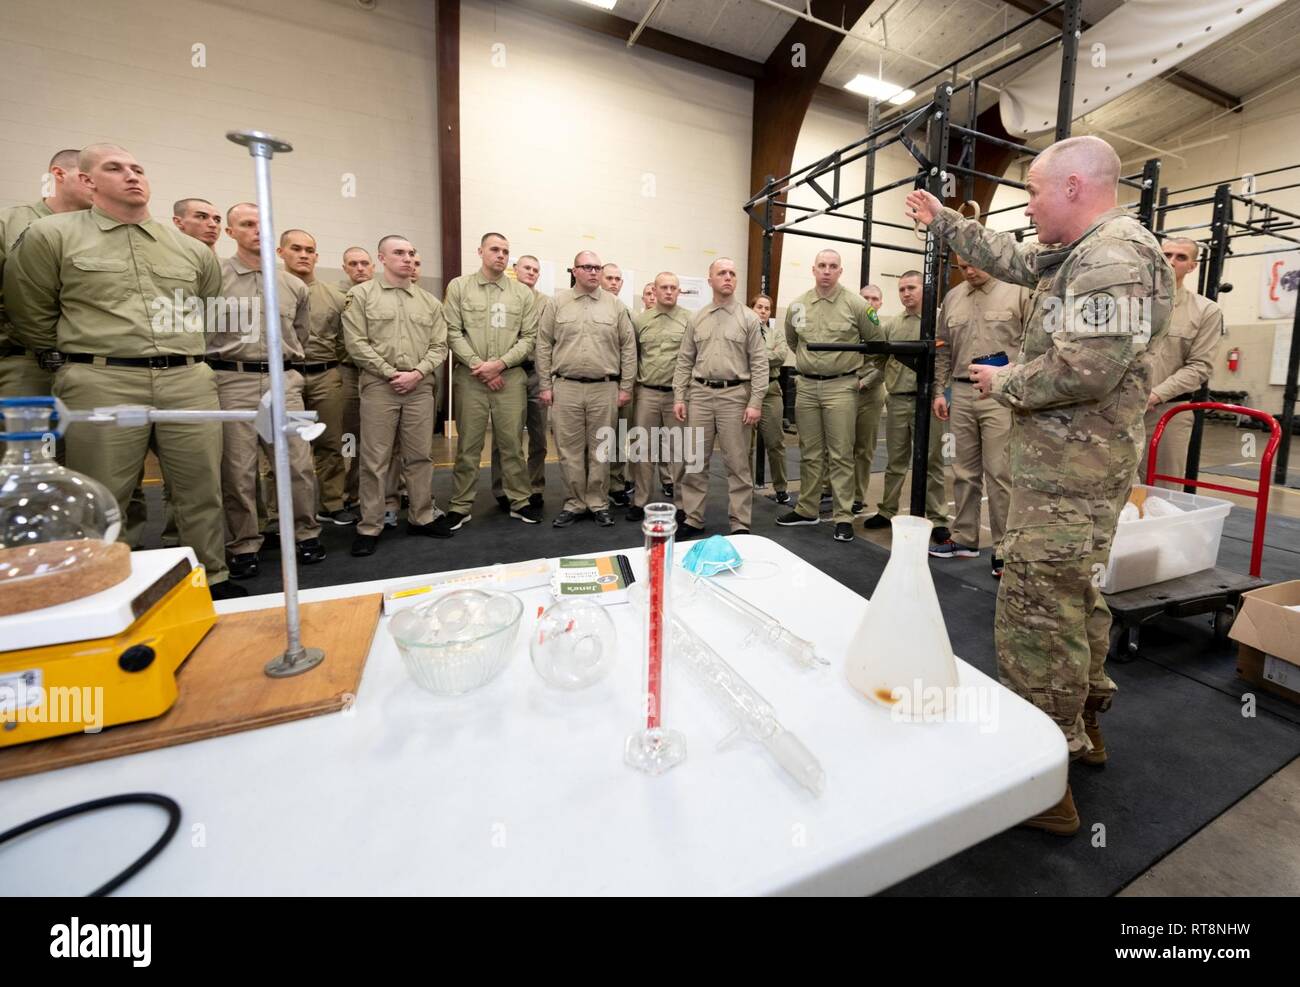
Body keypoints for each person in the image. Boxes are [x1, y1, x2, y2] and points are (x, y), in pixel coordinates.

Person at [906, 134, 1173, 834]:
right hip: (1075, 468)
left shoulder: (1111, 258)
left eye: (1033, 192)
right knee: (1074, 596)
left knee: (1035, 611)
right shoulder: (1087, 251)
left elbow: (1088, 369)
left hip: (1067, 475)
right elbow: (1019, 260)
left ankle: (1041, 778)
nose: (1028, 205)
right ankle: (1084, 729)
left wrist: (1005, 382)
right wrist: (945, 220)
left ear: (1076, 188)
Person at [3, 143, 243, 598]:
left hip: (186, 379)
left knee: (201, 490)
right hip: (101, 378)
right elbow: (28, 309)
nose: (132, 176)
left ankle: (209, 578)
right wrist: (76, 353)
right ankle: (108, 586)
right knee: (104, 493)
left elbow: (208, 312)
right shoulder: (51, 235)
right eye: (115, 168)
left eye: (138, 168)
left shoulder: (191, 249)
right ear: (88, 181)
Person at [214, 204, 324, 576]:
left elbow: (300, 334)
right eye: (247, 224)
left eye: (264, 225)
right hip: (232, 379)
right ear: (231, 231)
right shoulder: (214, 277)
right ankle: (245, 542)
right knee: (238, 468)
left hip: (284, 381)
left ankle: (304, 534)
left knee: (297, 463)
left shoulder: (292, 285)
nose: (257, 231)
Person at [343, 235, 453, 555]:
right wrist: (391, 373)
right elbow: (356, 343)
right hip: (380, 385)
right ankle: (370, 524)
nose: (407, 258)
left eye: (411, 253)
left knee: (419, 456)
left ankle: (421, 515)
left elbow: (439, 346)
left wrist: (417, 373)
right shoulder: (361, 296)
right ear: (382, 258)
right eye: (399, 253)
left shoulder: (430, 302)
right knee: (375, 458)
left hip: (419, 387)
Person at [776, 250, 886, 543]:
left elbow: (876, 344)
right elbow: (792, 340)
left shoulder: (858, 305)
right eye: (822, 266)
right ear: (813, 270)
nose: (826, 271)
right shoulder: (797, 305)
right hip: (807, 387)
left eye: (832, 266)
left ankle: (843, 516)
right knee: (809, 452)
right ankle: (807, 508)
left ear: (840, 271)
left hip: (841, 387)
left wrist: (858, 376)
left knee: (840, 454)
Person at [930, 256, 1031, 575]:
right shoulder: (953, 297)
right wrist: (939, 390)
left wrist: (1019, 383)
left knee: (1000, 472)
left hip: (1000, 392)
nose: (969, 271)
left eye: (975, 264)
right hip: (960, 391)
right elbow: (943, 347)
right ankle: (964, 537)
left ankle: (1004, 547)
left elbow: (1033, 345)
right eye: (963, 267)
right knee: (962, 471)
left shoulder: (1017, 291)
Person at [443, 232, 540, 528]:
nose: (501, 255)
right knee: (468, 446)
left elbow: (529, 337)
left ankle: (519, 500)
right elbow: (451, 331)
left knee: (512, 444)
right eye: (494, 249)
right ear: (480, 251)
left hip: (510, 379)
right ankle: (460, 505)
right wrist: (479, 366)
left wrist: (499, 365)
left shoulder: (522, 294)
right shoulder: (459, 287)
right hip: (471, 379)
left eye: (505, 251)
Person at [537, 251, 635, 527]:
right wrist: (546, 385)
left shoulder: (615, 306)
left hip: (604, 388)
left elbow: (628, 348)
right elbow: (543, 345)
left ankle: (597, 502)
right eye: (587, 267)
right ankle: (575, 502)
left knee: (601, 449)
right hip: (565, 387)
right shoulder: (557, 304)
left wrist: (625, 386)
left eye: (597, 268)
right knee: (569, 449)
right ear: (574, 271)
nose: (593, 272)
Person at [673, 258, 766, 536]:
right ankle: (692, 518)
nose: (728, 277)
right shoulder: (697, 318)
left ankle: (739, 523)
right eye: (721, 273)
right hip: (700, 395)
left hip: (735, 396)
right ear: (710, 279)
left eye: (732, 273)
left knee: (737, 463)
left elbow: (760, 363)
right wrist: (680, 395)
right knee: (695, 461)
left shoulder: (749, 318)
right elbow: (684, 360)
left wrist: (755, 402)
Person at [861, 271, 950, 539]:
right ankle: (887, 510)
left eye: (911, 288)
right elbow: (879, 357)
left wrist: (941, 393)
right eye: (901, 289)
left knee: (933, 461)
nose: (906, 293)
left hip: (930, 402)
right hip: (898, 400)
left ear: (924, 290)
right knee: (895, 462)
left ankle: (938, 517)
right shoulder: (892, 324)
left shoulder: (939, 322)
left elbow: (947, 359)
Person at [0, 149, 93, 399]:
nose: (96, 185)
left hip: (95, 369)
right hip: (27, 364)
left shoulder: (102, 232)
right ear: (59, 174)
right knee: (38, 438)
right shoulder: (9, 223)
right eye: (87, 176)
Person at [278, 228, 354, 526]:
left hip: (324, 376)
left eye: (309, 250)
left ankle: (332, 503)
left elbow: (343, 340)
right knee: (287, 448)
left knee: (330, 444)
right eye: (296, 249)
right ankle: (279, 512)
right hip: (287, 378)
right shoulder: (270, 291)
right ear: (281, 252)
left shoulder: (334, 297)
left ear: (317, 256)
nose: (303, 255)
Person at [1142, 237, 1224, 488]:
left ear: (1192, 266)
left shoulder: (1205, 311)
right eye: (1166, 255)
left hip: (1168, 413)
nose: (1171, 262)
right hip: (1120, 410)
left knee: (1163, 489)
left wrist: (1155, 395)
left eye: (1181, 257)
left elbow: (1200, 366)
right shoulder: (1132, 305)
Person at [627, 272, 690, 522]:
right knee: (643, 449)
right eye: (663, 287)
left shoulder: (689, 320)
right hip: (647, 392)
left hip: (677, 395)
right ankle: (640, 500)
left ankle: (683, 503)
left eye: (673, 287)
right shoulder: (641, 321)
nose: (668, 291)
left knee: (679, 451)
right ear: (654, 289)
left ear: (678, 291)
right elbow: (635, 355)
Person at [490, 254, 550, 510]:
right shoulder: (503, 297)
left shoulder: (547, 303)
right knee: (506, 435)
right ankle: (502, 487)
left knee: (538, 436)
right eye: (527, 267)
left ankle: (535, 486)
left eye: (536, 269)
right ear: (515, 269)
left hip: (536, 372)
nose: (532, 272)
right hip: (508, 371)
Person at [338, 246, 372, 511]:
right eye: (353, 264)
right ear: (345, 268)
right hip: (349, 372)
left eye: (364, 263)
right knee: (350, 437)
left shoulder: (379, 296)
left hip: (378, 375)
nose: (359, 268)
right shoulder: (338, 298)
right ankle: (349, 491)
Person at [749, 293, 790, 505]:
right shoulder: (743, 332)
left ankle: (781, 488)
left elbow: (781, 356)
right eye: (759, 307)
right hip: (746, 391)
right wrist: (767, 353)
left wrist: (756, 355)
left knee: (776, 442)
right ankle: (745, 488)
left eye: (767, 308)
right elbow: (741, 355)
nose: (763, 311)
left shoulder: (776, 335)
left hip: (771, 390)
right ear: (751, 308)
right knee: (745, 444)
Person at [600, 262, 634, 506]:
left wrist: (628, 385)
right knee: (599, 439)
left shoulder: (626, 310)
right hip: (600, 383)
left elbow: (633, 351)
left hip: (624, 383)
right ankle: (595, 486)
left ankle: (616, 483)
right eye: (609, 278)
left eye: (617, 279)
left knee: (621, 435)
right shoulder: (594, 308)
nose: (613, 282)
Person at [853, 283, 888, 513]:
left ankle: (857, 495)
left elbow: (886, 365)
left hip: (871, 392)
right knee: (837, 445)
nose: (870, 302)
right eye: (865, 298)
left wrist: (864, 383)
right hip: (845, 389)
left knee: (864, 448)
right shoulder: (849, 328)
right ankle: (829, 489)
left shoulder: (885, 330)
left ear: (881, 303)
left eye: (875, 298)